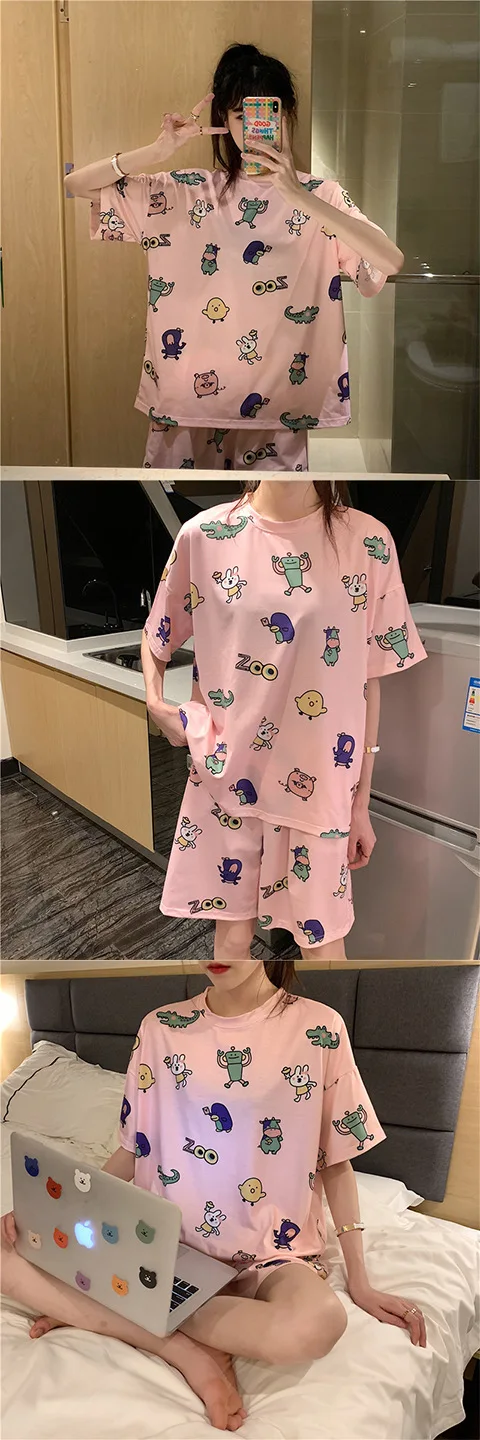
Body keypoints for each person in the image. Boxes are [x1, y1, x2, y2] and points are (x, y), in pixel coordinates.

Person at [1, 959, 427, 1433]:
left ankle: (119, 1310)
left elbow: (337, 1160)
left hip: (271, 1255)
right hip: (165, 1247)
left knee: (317, 1324)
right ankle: (184, 1351)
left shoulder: (320, 1027)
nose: (217, 945)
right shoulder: (160, 1027)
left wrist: (360, 1282)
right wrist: (53, 1211)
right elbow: (134, 1150)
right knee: (4, 1248)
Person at [65, 42, 404, 472]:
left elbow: (390, 262)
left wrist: (300, 196)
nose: (254, 127)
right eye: (241, 115)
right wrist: (156, 152)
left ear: (286, 115)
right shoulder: (185, 191)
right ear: (224, 121)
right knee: (183, 510)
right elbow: (76, 185)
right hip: (187, 411)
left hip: (278, 413)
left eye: (267, 113)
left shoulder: (323, 197)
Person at [142, 477, 427, 962]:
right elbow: (157, 633)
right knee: (231, 946)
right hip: (228, 777)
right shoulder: (204, 536)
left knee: (324, 949)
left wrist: (361, 803)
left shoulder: (368, 541)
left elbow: (368, 680)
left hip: (319, 788)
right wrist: (153, 701)